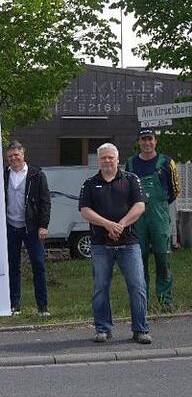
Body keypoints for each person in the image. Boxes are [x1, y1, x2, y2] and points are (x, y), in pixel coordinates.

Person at [79, 143, 151, 344]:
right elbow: (85, 210)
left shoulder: (131, 179)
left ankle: (141, 329)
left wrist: (120, 225)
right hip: (101, 245)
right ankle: (103, 329)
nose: (108, 161)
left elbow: (140, 206)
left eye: (111, 157)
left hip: (129, 244)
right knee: (101, 288)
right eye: (104, 158)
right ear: (98, 160)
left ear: (118, 159)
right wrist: (107, 224)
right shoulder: (90, 184)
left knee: (137, 286)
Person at [127, 129, 180, 311]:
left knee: (162, 258)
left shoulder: (167, 163)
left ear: (155, 141)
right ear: (139, 142)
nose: (147, 143)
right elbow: (128, 190)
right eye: (143, 139)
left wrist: (159, 207)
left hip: (159, 218)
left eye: (150, 139)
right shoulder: (130, 163)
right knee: (139, 259)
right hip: (138, 219)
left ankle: (165, 300)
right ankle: (143, 301)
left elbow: (175, 190)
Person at [3, 141, 51, 316]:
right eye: (10, 156)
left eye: (17, 154)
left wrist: (43, 225)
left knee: (38, 265)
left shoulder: (36, 175)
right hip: (10, 226)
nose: (14, 158)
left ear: (23, 154)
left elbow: (45, 202)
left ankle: (43, 307)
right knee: (12, 266)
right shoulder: (3, 175)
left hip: (31, 228)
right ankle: (14, 305)